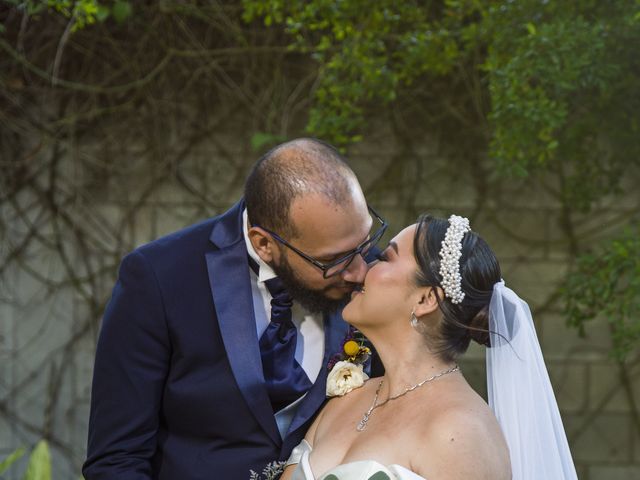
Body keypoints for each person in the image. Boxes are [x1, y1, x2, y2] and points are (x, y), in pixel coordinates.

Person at [82, 138, 387, 479]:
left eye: (365, 242)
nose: (361, 271)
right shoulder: (158, 277)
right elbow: (117, 460)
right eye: (333, 260)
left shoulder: (376, 278)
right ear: (264, 243)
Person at [282, 214, 578, 480]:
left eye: (385, 259)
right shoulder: (344, 402)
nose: (364, 268)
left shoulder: (459, 431)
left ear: (426, 300)